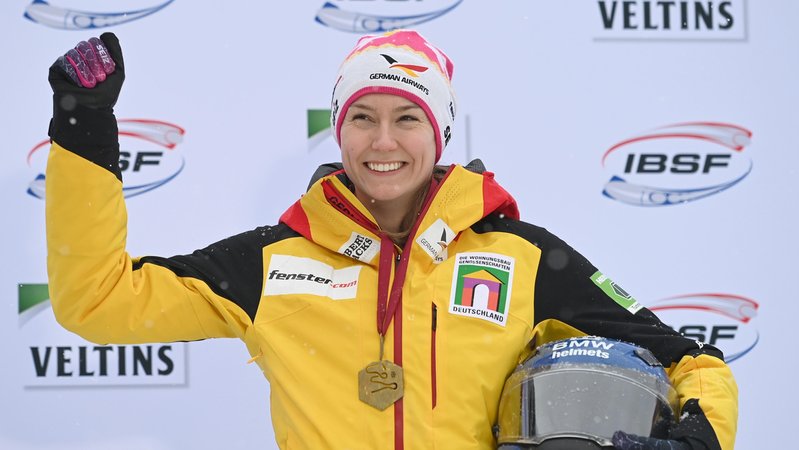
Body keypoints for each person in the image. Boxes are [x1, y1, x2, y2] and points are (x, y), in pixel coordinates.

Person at [46, 30, 737, 449]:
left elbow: (691, 361)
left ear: (439, 133)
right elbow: (99, 302)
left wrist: (700, 436)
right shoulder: (271, 261)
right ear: (338, 129)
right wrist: (84, 129)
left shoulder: (521, 257)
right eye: (362, 118)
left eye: (407, 118)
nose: (382, 142)